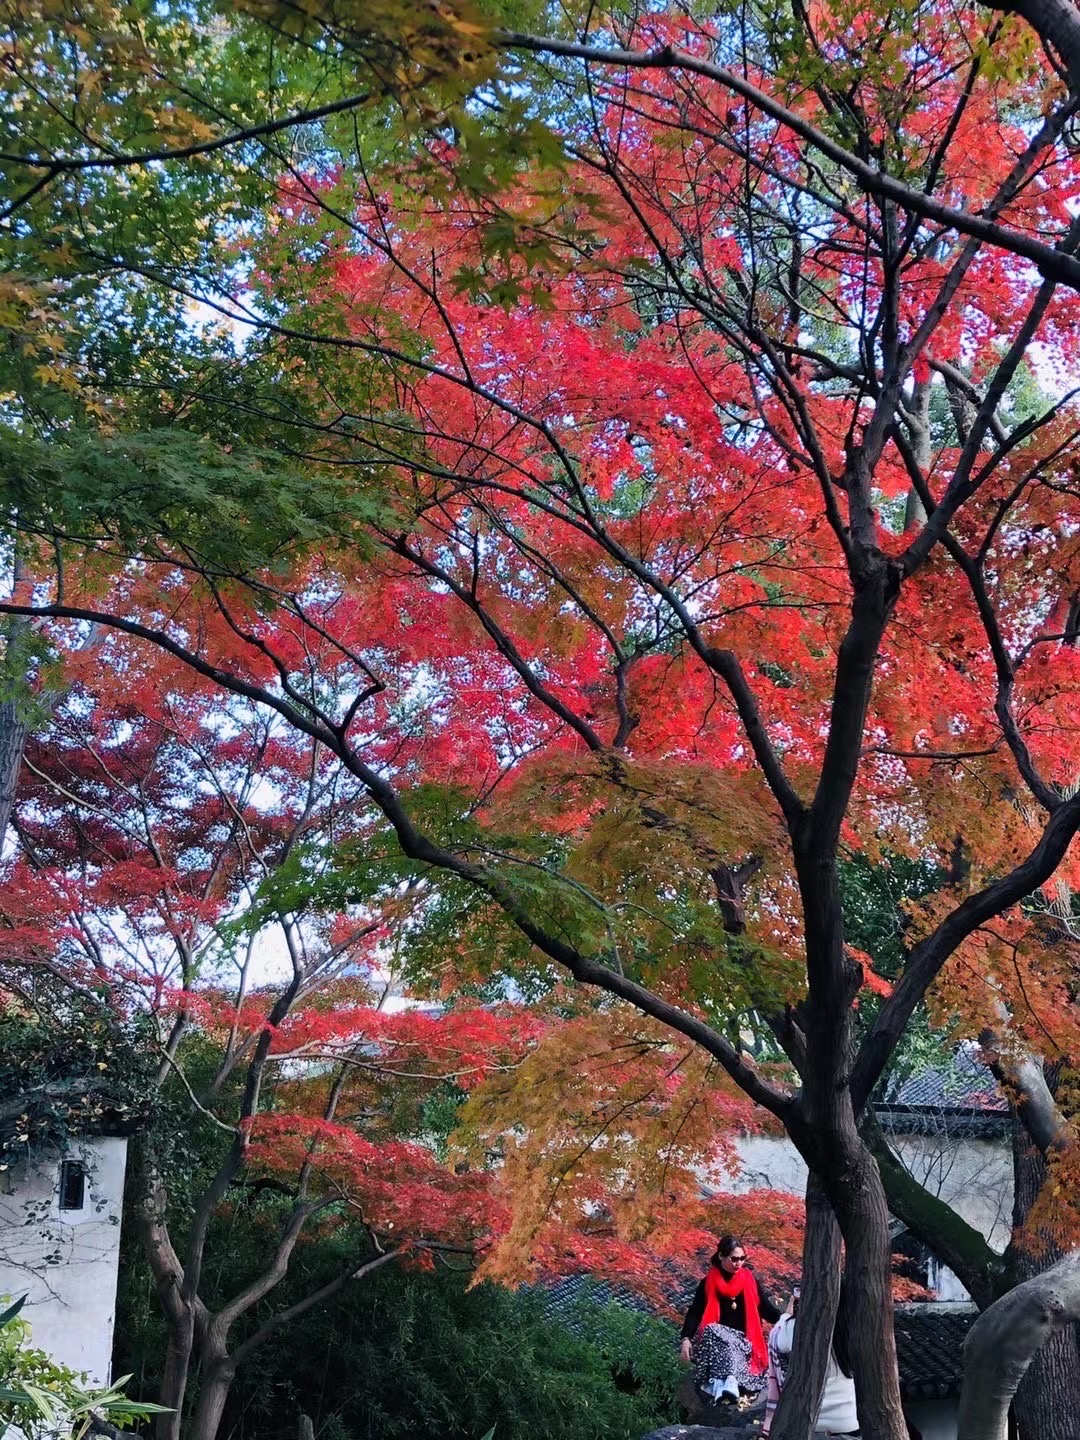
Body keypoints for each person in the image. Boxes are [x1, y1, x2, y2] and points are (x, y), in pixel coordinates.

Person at [679, 1235, 781, 1403]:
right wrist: (686, 1338)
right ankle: (726, 1383)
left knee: (728, 1342)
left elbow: (765, 1309)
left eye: (742, 1258)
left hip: (744, 1343)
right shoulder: (708, 1282)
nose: (739, 1263)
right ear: (721, 1256)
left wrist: (786, 1319)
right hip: (717, 1345)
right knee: (713, 1330)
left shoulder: (749, 1280)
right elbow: (695, 1312)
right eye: (734, 1259)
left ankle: (727, 1382)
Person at [762, 1279, 859, 1438]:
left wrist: (786, 1315)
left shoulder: (796, 1327)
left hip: (811, 1422)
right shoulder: (855, 1326)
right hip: (849, 1420)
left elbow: (775, 1339)